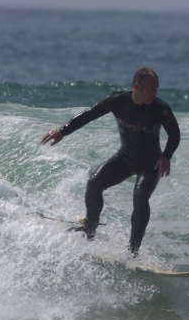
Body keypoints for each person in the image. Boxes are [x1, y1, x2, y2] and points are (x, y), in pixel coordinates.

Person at [41, 67, 180, 255]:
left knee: (140, 197)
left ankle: (133, 251)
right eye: (152, 88)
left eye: (157, 89)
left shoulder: (160, 109)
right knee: (94, 183)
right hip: (126, 158)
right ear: (137, 86)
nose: (155, 93)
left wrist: (166, 156)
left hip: (151, 164)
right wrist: (62, 131)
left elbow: (175, 134)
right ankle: (90, 229)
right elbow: (89, 115)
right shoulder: (118, 101)